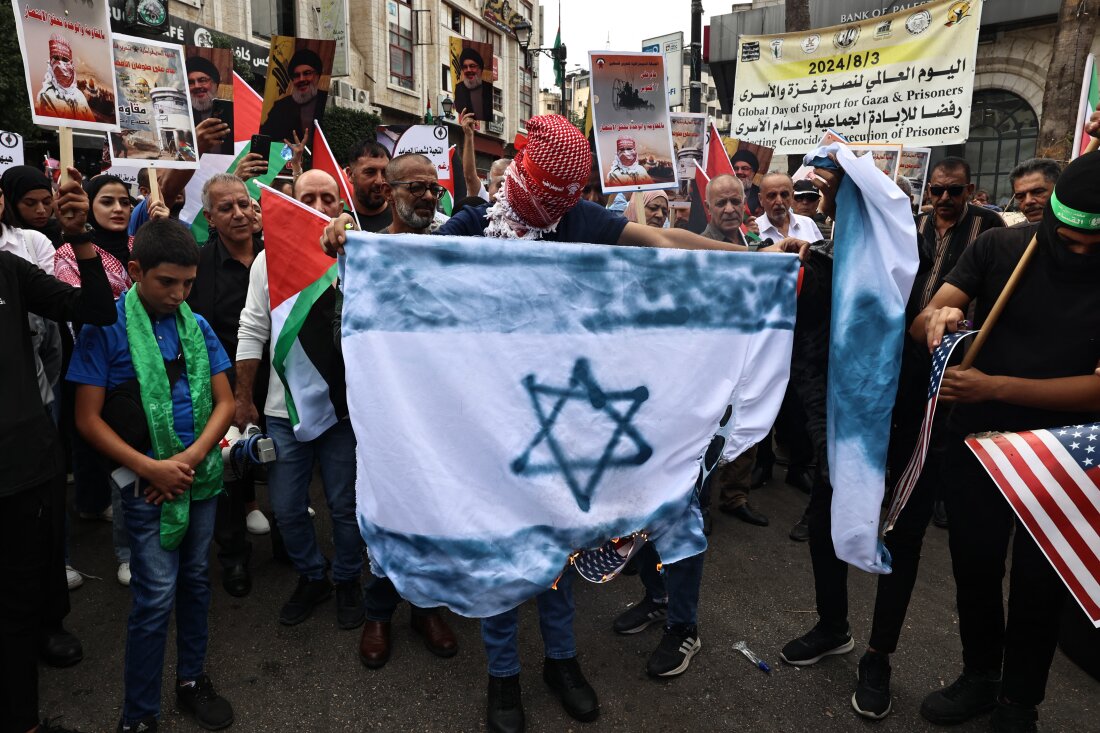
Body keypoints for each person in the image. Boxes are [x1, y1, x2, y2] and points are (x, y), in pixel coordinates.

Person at [321, 113, 808, 733]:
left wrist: (759, 260)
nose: (546, 207)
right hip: (490, 422)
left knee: (557, 548)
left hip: (569, 418)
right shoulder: (474, 222)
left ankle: (562, 661)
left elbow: (661, 245)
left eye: (559, 197)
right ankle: (503, 678)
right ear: (520, 173)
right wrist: (346, 237)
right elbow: (404, 259)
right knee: (502, 552)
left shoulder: (581, 222)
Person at [913, 150, 1100, 733]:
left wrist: (994, 384)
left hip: (1061, 450)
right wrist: (937, 323)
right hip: (978, 441)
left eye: (1095, 247)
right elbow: (930, 315)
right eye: (1068, 240)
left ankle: (1021, 701)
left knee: (1042, 583)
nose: (1080, 254)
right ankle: (979, 676)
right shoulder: (1000, 248)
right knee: (974, 564)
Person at [68, 218, 236, 733]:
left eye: (188, 283)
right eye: (167, 282)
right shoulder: (106, 326)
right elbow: (86, 418)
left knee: (196, 582)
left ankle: (191, 680)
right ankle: (138, 714)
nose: (179, 294)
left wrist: (188, 461)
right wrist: (151, 468)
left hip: (197, 479)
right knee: (154, 597)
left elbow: (226, 401)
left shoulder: (197, 325)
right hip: (146, 487)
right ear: (136, 270)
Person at [1, 166, 114, 733]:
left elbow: (96, 309)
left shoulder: (10, 269)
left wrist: (81, 238)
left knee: (23, 597)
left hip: (21, 468)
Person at [235, 169, 366, 632]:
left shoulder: (362, 256)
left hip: (342, 411)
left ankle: (349, 578)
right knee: (288, 508)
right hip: (280, 410)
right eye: (306, 196)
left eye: (326, 197)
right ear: (291, 200)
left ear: (339, 204)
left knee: (345, 505)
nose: (316, 204)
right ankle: (314, 576)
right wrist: (242, 399)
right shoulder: (268, 261)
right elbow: (252, 329)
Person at [346, 156, 461, 667]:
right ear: (389, 192)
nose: (427, 198)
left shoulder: (452, 250)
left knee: (436, 510)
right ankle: (378, 612)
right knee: (389, 506)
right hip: (387, 408)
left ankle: (428, 606)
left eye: (434, 190)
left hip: (441, 407)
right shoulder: (364, 251)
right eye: (416, 187)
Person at [186, 173, 266, 598]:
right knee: (227, 476)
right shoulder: (197, 270)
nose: (239, 213)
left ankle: (292, 543)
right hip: (220, 389)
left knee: (285, 468)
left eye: (244, 204)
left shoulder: (277, 256)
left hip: (276, 386)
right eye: (226, 207)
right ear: (209, 218)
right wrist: (234, 396)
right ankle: (233, 558)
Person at [259, 48, 328, 144]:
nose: (301, 79)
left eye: (307, 73)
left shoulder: (326, 100)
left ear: (318, 75)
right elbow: (265, 137)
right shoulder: (280, 107)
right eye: (296, 75)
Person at [36, 34, 96, 123]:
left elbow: (92, 125)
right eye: (56, 58)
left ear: (71, 63)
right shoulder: (46, 96)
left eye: (64, 59)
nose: (60, 64)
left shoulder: (79, 96)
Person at [1, 165, 63, 247]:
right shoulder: (4, 242)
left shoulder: (62, 233)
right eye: (30, 203)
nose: (41, 210)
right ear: (11, 204)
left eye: (47, 202)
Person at [756, 172, 824, 243]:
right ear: (761, 199)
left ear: (792, 196)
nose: (779, 201)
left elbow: (821, 252)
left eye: (784, 195)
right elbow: (749, 250)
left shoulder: (808, 224)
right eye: (772, 195)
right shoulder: (754, 231)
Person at [186, 56, 233, 155]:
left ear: (215, 83)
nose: (197, 86)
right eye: (190, 82)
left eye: (202, 80)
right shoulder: (184, 117)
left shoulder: (231, 114)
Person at [344, 140, 392, 232]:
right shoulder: (337, 219)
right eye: (370, 172)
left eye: (385, 172)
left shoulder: (402, 219)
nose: (379, 181)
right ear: (350, 175)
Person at [1008, 158, 1060, 224]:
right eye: (1020, 196)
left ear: (1059, 190)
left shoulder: (1074, 233)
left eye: (1038, 192)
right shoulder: (1010, 233)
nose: (1028, 201)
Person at [454, 46, 493, 121]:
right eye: (465, 67)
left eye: (472, 66)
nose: (468, 70)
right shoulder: (459, 88)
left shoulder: (489, 89)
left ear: (480, 69)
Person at [731, 149, 762, 217]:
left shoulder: (761, 194)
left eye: (744, 168)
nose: (739, 172)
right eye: (736, 168)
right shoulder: (724, 191)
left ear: (753, 173)